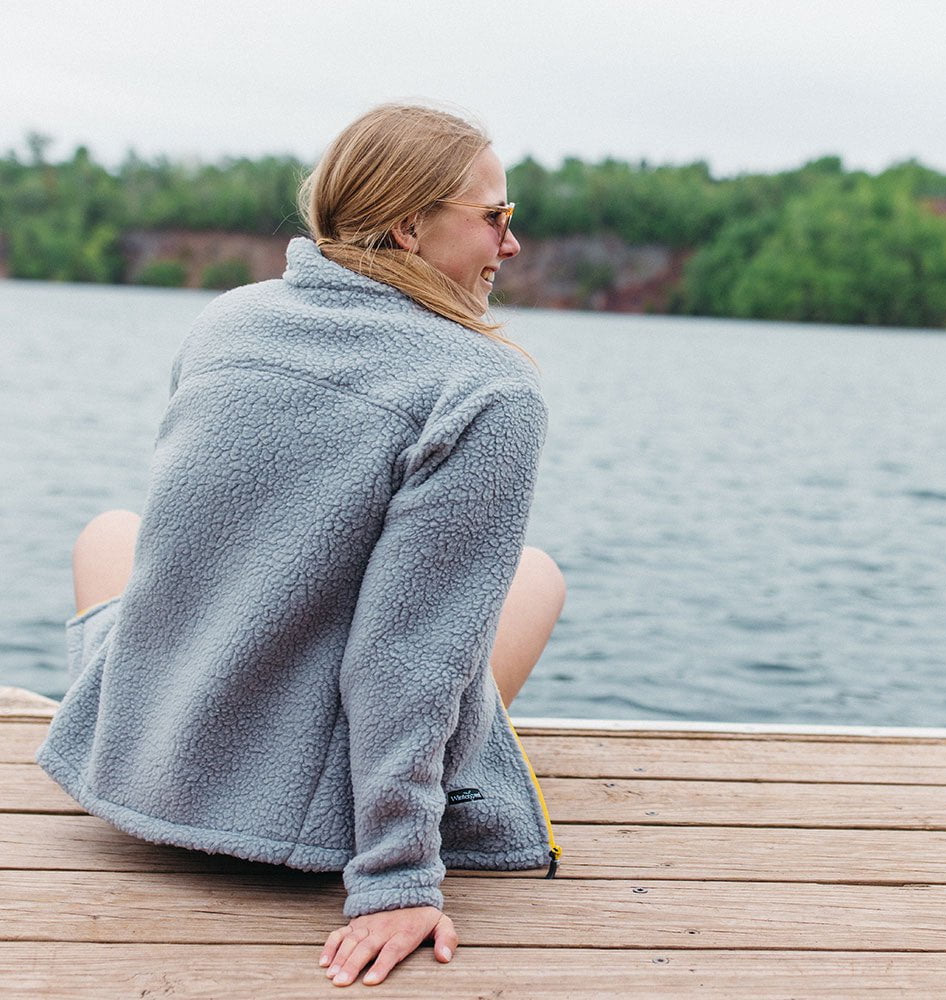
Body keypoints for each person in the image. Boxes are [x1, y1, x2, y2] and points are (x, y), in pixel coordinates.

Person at [35, 103, 566, 988]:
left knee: (111, 533)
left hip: (147, 772)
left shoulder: (228, 322)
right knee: (536, 576)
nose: (510, 245)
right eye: (495, 217)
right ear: (407, 224)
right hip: (313, 816)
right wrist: (397, 877)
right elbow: (411, 651)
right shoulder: (487, 389)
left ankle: (164, 724)